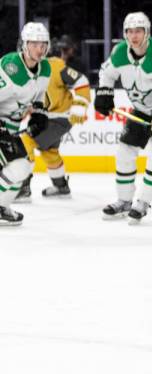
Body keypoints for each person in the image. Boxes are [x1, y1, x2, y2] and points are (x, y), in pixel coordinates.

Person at [94, 12, 152, 223]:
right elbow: (106, 73)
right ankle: (124, 200)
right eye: (130, 31)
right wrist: (104, 92)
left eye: (139, 31)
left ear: (147, 33)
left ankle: (143, 202)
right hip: (143, 110)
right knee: (125, 151)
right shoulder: (120, 52)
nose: (134, 36)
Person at [16, 35, 90, 201]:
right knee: (49, 151)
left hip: (58, 117)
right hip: (46, 118)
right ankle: (60, 186)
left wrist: (80, 105)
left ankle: (22, 188)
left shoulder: (54, 66)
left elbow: (82, 80)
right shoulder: (27, 72)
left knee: (26, 141)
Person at [0, 22, 51, 225]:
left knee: (23, 167)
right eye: (34, 44)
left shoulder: (45, 68)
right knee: (20, 165)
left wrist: (39, 113)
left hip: (11, 127)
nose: (40, 49)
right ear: (24, 44)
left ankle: (2, 206)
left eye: (43, 44)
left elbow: (39, 96)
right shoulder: (10, 67)